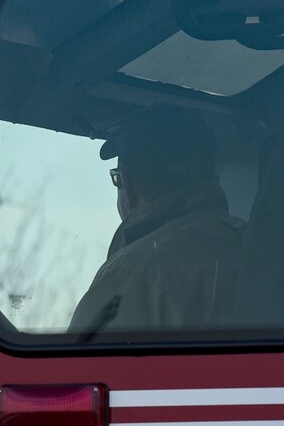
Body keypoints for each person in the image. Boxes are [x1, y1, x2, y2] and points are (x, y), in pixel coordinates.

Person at [68, 109, 243, 339]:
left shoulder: (131, 276)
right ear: (213, 179)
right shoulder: (255, 245)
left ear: (128, 185)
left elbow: (75, 371)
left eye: (117, 178)